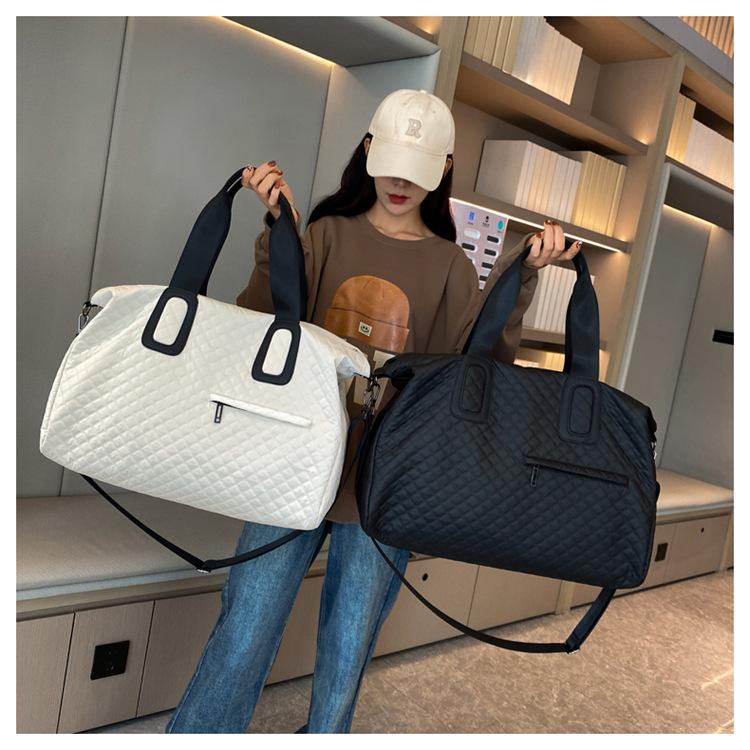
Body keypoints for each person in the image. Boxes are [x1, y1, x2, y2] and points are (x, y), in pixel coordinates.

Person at [165, 89, 580, 734]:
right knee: (245, 628)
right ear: (367, 151)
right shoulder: (325, 235)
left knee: (347, 650)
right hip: (294, 460)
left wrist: (522, 276)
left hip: (390, 482)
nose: (400, 183)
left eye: (418, 170)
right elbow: (261, 324)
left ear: (443, 170)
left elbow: (475, 369)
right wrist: (277, 233)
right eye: (391, 164)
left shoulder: (450, 267)